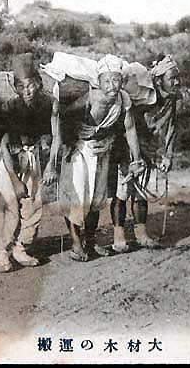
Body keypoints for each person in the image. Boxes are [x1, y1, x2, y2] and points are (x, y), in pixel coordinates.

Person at [58, 54, 145, 262]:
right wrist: (70, 142)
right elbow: (63, 119)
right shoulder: (89, 98)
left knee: (97, 198)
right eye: (106, 80)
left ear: (122, 81)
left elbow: (130, 128)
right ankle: (76, 244)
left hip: (102, 150)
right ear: (99, 81)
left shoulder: (123, 99)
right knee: (78, 196)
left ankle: (90, 241)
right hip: (80, 151)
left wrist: (137, 158)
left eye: (116, 80)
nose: (112, 85)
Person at [0, 53, 61, 272]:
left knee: (33, 204)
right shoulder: (10, 108)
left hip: (33, 157)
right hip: (8, 160)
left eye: (31, 85)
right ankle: (1, 252)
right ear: (16, 88)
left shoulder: (50, 104)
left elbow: (58, 137)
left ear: (39, 83)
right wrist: (14, 179)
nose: (27, 91)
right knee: (9, 204)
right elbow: (3, 146)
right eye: (21, 87)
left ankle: (21, 247)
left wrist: (51, 165)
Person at [109, 55, 181, 252]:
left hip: (148, 150)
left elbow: (171, 127)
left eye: (178, 77)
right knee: (122, 192)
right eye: (171, 77)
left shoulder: (173, 99)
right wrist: (133, 153)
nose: (177, 81)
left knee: (142, 193)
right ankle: (119, 235)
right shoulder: (143, 96)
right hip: (127, 148)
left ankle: (141, 233)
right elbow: (126, 124)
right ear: (159, 80)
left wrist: (168, 154)